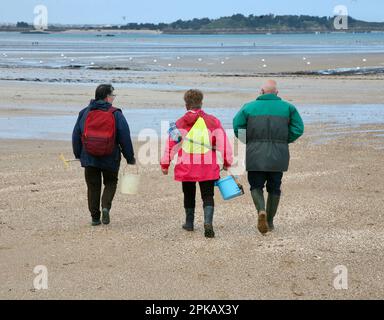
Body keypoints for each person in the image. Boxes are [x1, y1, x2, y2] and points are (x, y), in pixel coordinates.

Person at [233, 80, 304, 234]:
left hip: (255, 153)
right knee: (274, 188)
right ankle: (270, 222)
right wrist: (285, 139)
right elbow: (299, 128)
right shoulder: (288, 108)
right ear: (276, 93)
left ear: (261, 91)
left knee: (256, 186)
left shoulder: (248, 107)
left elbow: (237, 126)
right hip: (278, 154)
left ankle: (261, 210)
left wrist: (249, 140)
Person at [161, 89, 233, 238]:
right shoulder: (213, 121)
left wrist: (165, 164)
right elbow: (223, 143)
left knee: (188, 194)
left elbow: (170, 145)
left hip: (186, 166)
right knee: (207, 195)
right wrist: (227, 162)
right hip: (207, 166)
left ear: (186, 105)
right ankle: (208, 222)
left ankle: (189, 223)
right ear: (201, 103)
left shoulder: (179, 123)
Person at [72, 84, 136, 226]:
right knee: (111, 182)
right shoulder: (116, 114)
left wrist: (78, 154)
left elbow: (76, 134)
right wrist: (130, 158)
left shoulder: (84, 112)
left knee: (93, 186)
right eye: (112, 95)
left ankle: (95, 218)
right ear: (107, 97)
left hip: (89, 156)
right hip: (110, 157)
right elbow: (124, 137)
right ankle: (106, 207)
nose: (113, 98)